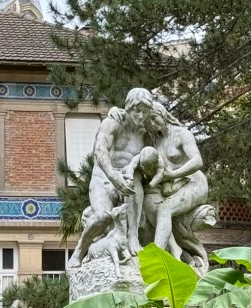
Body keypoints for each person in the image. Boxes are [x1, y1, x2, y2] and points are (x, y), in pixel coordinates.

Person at [69, 88, 154, 267]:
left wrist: (130, 171)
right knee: (103, 217)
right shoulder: (113, 122)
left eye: (145, 111)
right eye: (137, 110)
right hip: (104, 177)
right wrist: (113, 176)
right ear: (129, 107)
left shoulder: (145, 132)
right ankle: (80, 250)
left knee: (135, 184)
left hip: (127, 178)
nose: (140, 115)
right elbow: (100, 150)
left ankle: (133, 238)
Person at [140, 101, 209, 260]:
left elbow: (197, 161)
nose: (152, 123)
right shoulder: (156, 141)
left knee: (164, 209)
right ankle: (177, 251)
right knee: (148, 204)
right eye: (148, 121)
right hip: (173, 187)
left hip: (193, 182)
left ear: (162, 113)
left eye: (154, 117)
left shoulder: (181, 134)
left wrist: (172, 175)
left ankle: (157, 257)